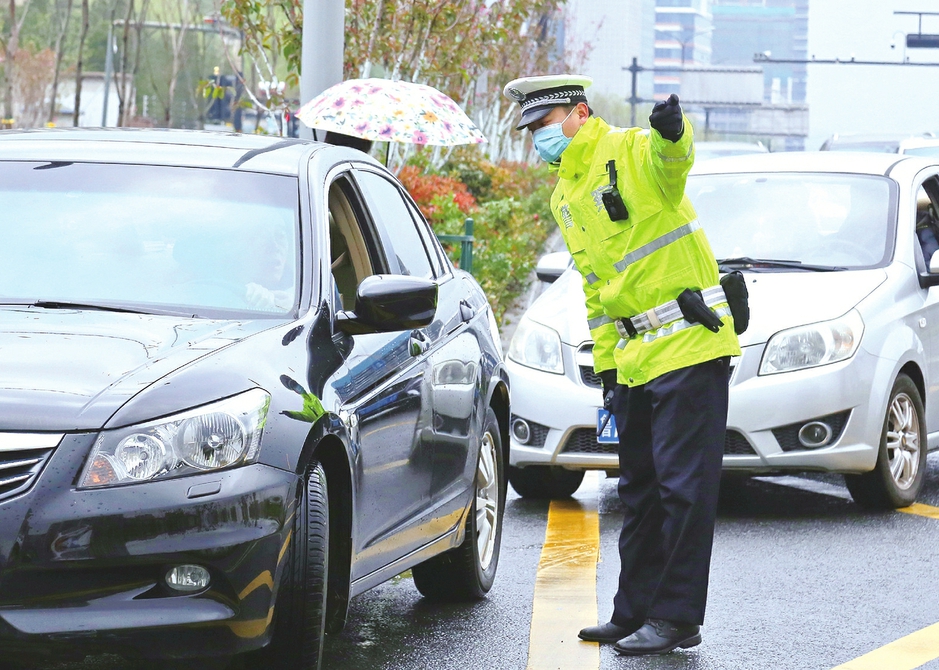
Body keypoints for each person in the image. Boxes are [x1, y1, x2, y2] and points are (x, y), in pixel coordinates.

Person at [504, 74, 741, 656]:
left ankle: (678, 617)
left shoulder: (632, 149)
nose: (538, 137)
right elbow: (596, 291)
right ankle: (633, 610)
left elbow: (672, 161)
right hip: (634, 357)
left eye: (543, 124)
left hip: (690, 344)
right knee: (639, 489)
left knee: (684, 491)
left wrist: (673, 132)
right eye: (531, 130)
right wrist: (608, 368)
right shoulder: (564, 193)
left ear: (578, 113)